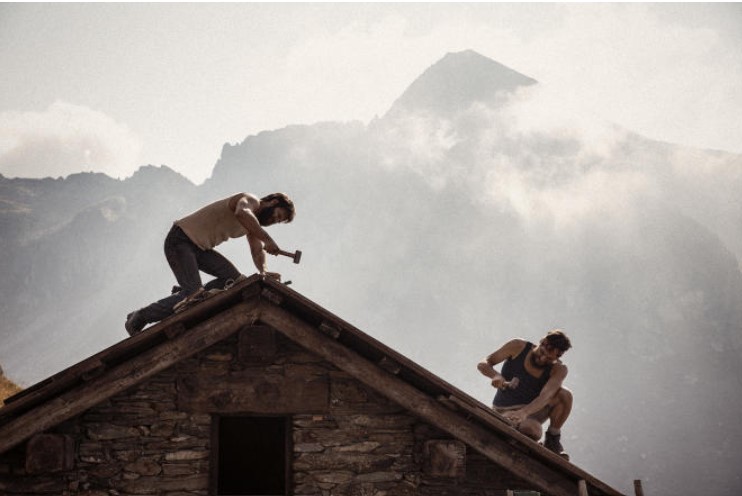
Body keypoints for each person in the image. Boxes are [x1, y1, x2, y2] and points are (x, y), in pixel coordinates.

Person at [125, 192, 296, 336]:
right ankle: (141, 316)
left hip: (200, 248)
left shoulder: (253, 226)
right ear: (273, 202)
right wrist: (267, 239)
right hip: (180, 239)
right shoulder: (250, 200)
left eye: (279, 221)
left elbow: (257, 251)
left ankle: (188, 292)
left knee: (234, 280)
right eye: (278, 215)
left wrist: (264, 272)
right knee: (193, 295)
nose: (275, 221)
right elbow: (241, 212)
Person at [477, 329, 573, 458]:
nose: (543, 359)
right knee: (532, 430)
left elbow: (546, 396)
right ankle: (513, 430)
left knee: (565, 395)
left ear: (557, 357)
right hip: (504, 409)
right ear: (542, 342)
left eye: (549, 358)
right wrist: (495, 375)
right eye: (542, 352)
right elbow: (484, 363)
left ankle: (553, 438)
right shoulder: (517, 347)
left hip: (532, 411)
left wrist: (524, 412)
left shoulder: (559, 369)